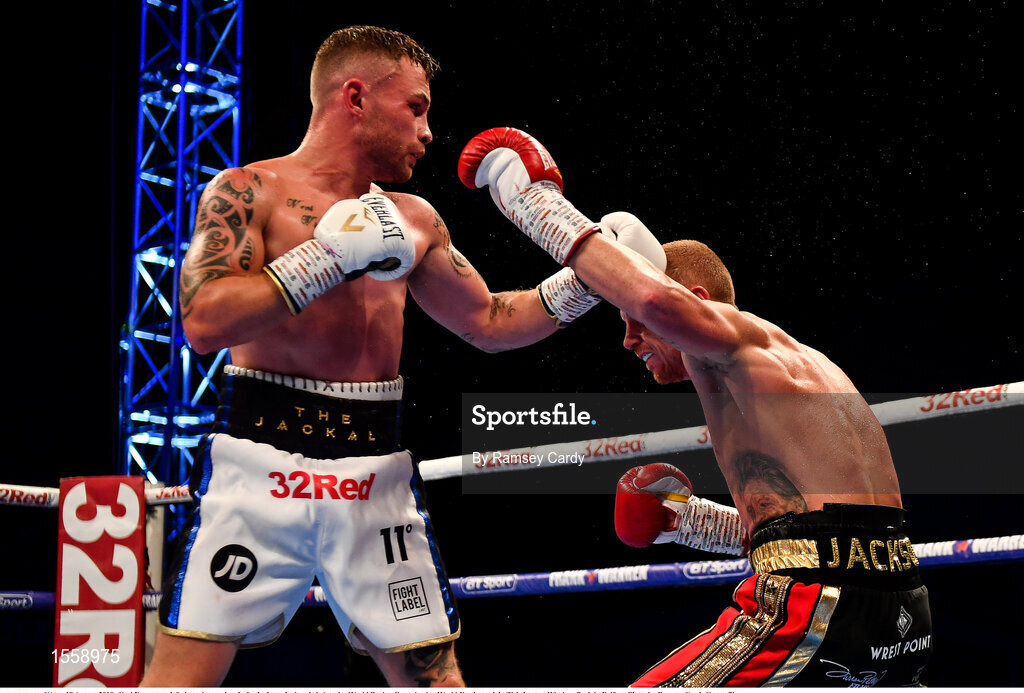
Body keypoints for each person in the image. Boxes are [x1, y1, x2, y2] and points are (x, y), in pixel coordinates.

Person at [141, 28, 662, 688]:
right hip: (258, 468)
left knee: (436, 680)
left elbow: (490, 322)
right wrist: (323, 260)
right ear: (354, 97)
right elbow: (204, 321)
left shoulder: (414, 218)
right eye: (416, 107)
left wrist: (590, 281)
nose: (428, 130)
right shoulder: (248, 191)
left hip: (372, 475)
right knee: (177, 679)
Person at [458, 127, 933, 687]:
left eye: (637, 323)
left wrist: (532, 203)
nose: (630, 339)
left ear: (699, 306)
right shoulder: (793, 372)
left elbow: (654, 296)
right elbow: (827, 527)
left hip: (815, 605)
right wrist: (688, 521)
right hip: (900, 613)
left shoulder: (737, 340)